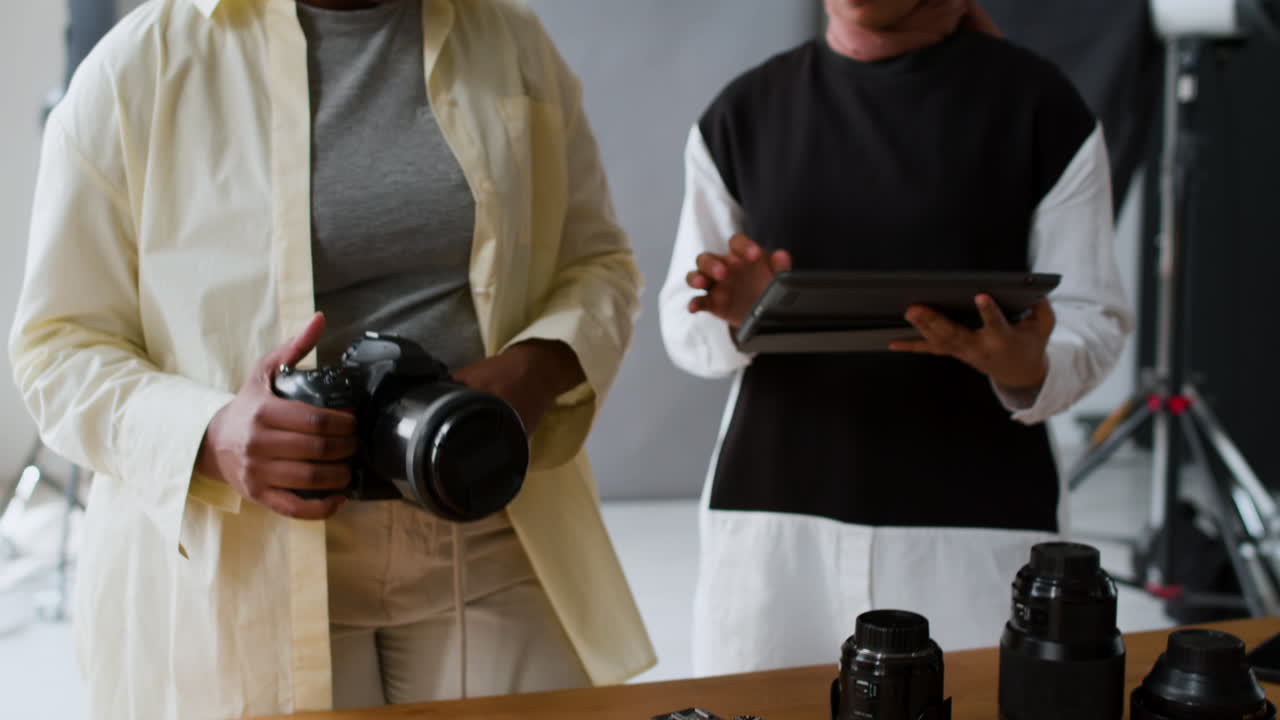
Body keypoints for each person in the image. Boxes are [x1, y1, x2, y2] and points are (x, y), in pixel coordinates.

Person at [9, 0, 654, 717]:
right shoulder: (141, 65)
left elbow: (600, 264)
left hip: (481, 514)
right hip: (246, 556)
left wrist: (536, 368)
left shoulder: (509, 38)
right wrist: (211, 434)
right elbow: (56, 347)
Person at [659, 0, 1134, 676]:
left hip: (974, 520)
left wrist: (1030, 366)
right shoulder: (744, 112)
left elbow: (1093, 317)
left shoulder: (1040, 108)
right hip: (775, 525)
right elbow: (682, 323)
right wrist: (732, 314)